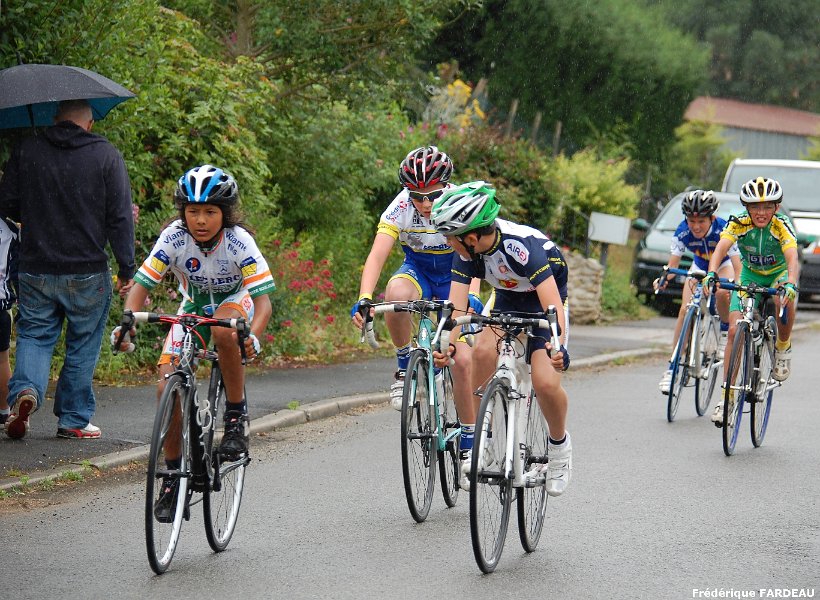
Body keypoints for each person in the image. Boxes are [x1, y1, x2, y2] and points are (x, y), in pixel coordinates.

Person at [113, 165, 273, 489]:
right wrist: (127, 322)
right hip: (193, 305)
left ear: (225, 213)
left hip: (235, 301)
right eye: (193, 211)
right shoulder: (174, 237)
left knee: (224, 330)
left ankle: (235, 415)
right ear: (182, 212)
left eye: (210, 212)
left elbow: (264, 303)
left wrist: (253, 336)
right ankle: (172, 477)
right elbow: (141, 286)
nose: (200, 220)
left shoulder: (239, 241)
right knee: (166, 387)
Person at [0, 99, 135, 440]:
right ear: (89, 123)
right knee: (82, 342)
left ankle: (25, 392)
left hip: (36, 267)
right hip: (87, 270)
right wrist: (126, 267)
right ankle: (73, 419)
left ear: (56, 117)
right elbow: (120, 216)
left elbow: (6, 203)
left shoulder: (29, 149)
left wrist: (36, 207)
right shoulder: (106, 155)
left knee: (34, 335)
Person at [430, 181, 573, 497]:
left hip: (544, 304)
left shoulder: (523, 249)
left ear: (470, 238)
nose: (447, 243)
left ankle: (560, 448)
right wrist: (447, 344)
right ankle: (483, 440)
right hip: (507, 298)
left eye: (450, 238)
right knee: (481, 352)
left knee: (545, 382)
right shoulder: (466, 253)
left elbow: (552, 305)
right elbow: (457, 308)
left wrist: (557, 346)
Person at [350, 146, 482, 483]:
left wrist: (473, 296)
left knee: (462, 361)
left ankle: (469, 443)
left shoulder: (460, 202)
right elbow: (377, 254)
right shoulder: (400, 207)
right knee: (395, 296)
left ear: (446, 187)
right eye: (417, 196)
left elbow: (475, 255)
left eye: (433, 196)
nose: (425, 204)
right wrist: (364, 297)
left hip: (457, 275)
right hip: (419, 272)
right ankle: (403, 367)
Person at [703, 177, 799, 426]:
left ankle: (783, 346)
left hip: (777, 274)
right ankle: (726, 398)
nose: (761, 212)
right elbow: (721, 248)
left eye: (767, 206)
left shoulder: (781, 225)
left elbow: (791, 256)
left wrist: (790, 282)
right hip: (749, 275)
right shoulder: (738, 222)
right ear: (746, 207)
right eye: (755, 207)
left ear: (777, 207)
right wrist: (711, 273)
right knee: (734, 331)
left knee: (784, 299)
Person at [654, 190, 741, 394]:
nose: (695, 226)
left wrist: (737, 285)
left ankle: (723, 331)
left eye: (701, 221)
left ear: (712, 218)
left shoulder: (724, 229)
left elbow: (737, 266)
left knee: (721, 292)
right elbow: (672, 266)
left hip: (723, 265)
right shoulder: (682, 231)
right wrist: (663, 279)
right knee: (685, 310)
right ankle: (672, 368)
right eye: (691, 220)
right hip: (699, 267)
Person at [0, 217, 19, 426]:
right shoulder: (9, 229)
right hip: (0, 304)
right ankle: (4, 411)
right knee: (2, 361)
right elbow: (16, 270)